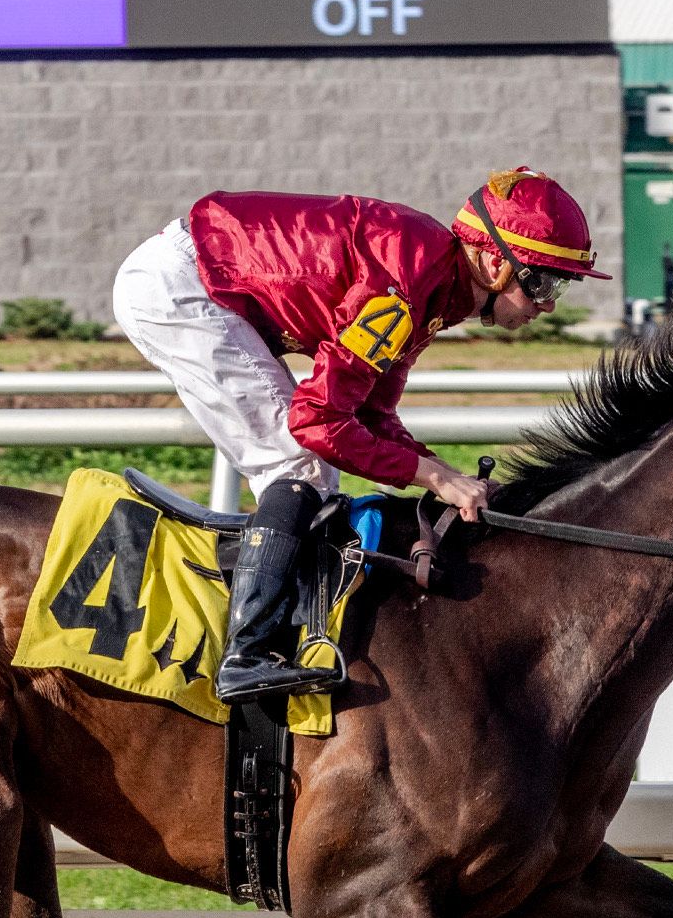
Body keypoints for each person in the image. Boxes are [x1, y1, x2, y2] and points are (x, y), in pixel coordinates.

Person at [112, 167, 609, 702]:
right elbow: (317, 421)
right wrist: (435, 477)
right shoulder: (405, 287)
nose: (549, 303)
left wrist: (441, 473)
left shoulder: (433, 287)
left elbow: (371, 416)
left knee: (309, 468)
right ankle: (246, 654)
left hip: (195, 272)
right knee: (297, 463)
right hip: (183, 286)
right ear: (493, 261)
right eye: (541, 282)